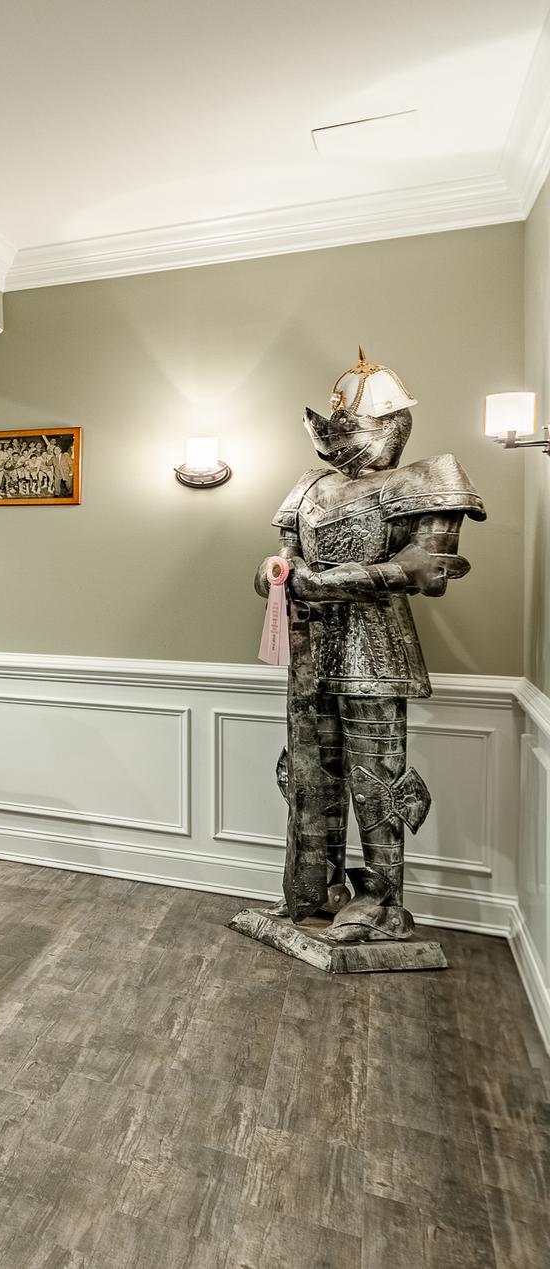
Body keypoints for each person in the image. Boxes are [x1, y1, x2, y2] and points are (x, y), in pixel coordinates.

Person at [253, 352, 483, 943]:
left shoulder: (430, 476)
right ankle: (313, 888)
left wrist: (316, 582)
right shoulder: (309, 487)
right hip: (309, 648)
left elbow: (428, 571)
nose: (343, 441)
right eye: (331, 430)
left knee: (376, 777)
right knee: (308, 775)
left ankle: (381, 899)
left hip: (376, 647)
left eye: (354, 426)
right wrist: (273, 572)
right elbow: (284, 562)